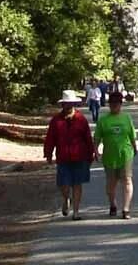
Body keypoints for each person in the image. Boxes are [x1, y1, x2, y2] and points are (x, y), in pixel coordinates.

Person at [43, 90, 95, 220]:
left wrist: (91, 153)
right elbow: (50, 138)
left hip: (80, 156)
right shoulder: (56, 120)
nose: (69, 106)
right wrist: (48, 153)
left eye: (71, 103)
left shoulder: (80, 119)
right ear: (62, 105)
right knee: (64, 184)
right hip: (63, 157)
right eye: (66, 103)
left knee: (77, 183)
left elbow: (88, 138)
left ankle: (76, 212)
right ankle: (66, 198)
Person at [93, 89, 137, 219]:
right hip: (109, 156)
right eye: (112, 104)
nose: (114, 106)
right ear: (109, 104)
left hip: (125, 154)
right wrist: (95, 151)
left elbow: (131, 134)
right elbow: (97, 138)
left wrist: (135, 147)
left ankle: (126, 208)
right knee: (111, 183)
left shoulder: (126, 118)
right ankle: (112, 204)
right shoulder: (103, 120)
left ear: (121, 104)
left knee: (127, 180)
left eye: (117, 104)